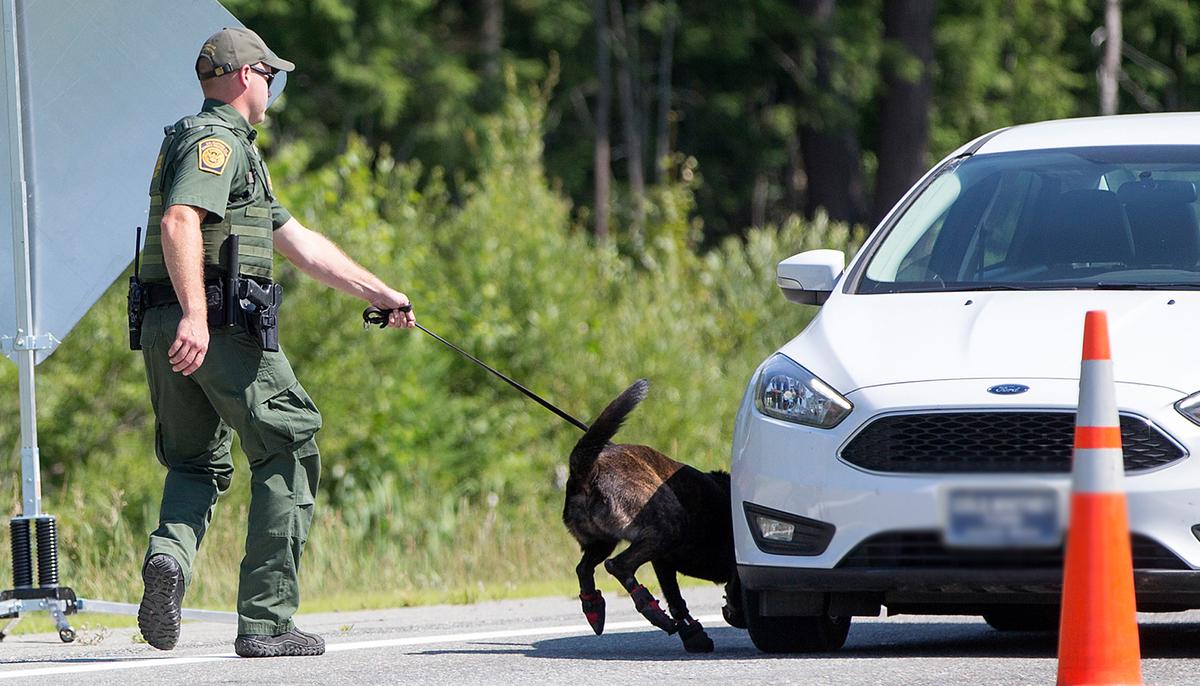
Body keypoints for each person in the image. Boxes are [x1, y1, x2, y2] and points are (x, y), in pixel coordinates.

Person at [134, 27, 415, 658]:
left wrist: (378, 290)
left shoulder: (210, 145)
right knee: (290, 442)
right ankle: (266, 622)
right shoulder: (216, 143)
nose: (273, 88)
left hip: (169, 326)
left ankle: (168, 561)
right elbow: (182, 220)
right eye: (270, 75)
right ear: (243, 77)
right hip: (216, 327)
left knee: (194, 464)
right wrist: (198, 318)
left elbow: (300, 243)